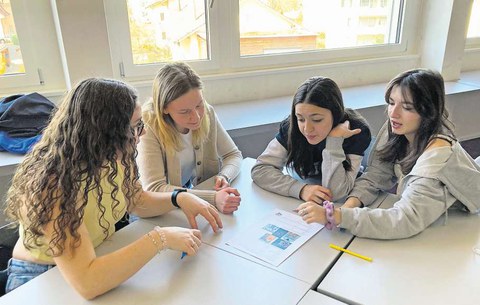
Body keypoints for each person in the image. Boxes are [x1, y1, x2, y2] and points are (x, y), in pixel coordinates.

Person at [4, 78, 223, 299]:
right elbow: (88, 283)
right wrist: (161, 238)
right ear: (106, 132)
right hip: (40, 277)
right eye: (137, 126)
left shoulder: (112, 157)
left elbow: (136, 200)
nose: (143, 132)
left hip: (92, 258)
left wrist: (179, 197)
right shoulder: (52, 183)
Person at [296, 69, 480, 239]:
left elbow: (405, 220)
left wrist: (336, 216)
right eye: (391, 103)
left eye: (407, 107)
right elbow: (376, 176)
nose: (394, 113)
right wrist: (348, 207)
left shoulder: (437, 159)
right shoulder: (399, 128)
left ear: (428, 111)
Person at [136, 62, 242, 214]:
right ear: (164, 108)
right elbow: (155, 188)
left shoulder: (207, 113)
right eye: (184, 111)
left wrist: (224, 176)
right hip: (158, 211)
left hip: (188, 197)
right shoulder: (148, 125)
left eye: (199, 105)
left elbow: (233, 155)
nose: (196, 117)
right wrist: (212, 197)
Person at [251, 76, 371, 203]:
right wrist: (301, 189)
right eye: (301, 119)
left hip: (342, 205)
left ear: (335, 114)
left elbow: (335, 193)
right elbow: (260, 170)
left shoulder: (356, 131)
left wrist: (334, 141)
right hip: (302, 198)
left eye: (317, 120)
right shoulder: (291, 127)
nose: (307, 129)